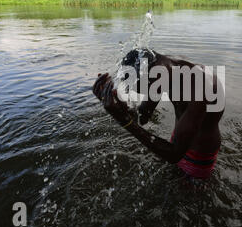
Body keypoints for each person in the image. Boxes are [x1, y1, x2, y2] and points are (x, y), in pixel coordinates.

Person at [93, 49, 224, 179]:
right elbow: (142, 116)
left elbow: (174, 155)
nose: (147, 94)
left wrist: (124, 120)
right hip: (179, 138)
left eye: (144, 89)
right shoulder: (163, 69)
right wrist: (120, 107)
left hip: (198, 155)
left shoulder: (202, 87)